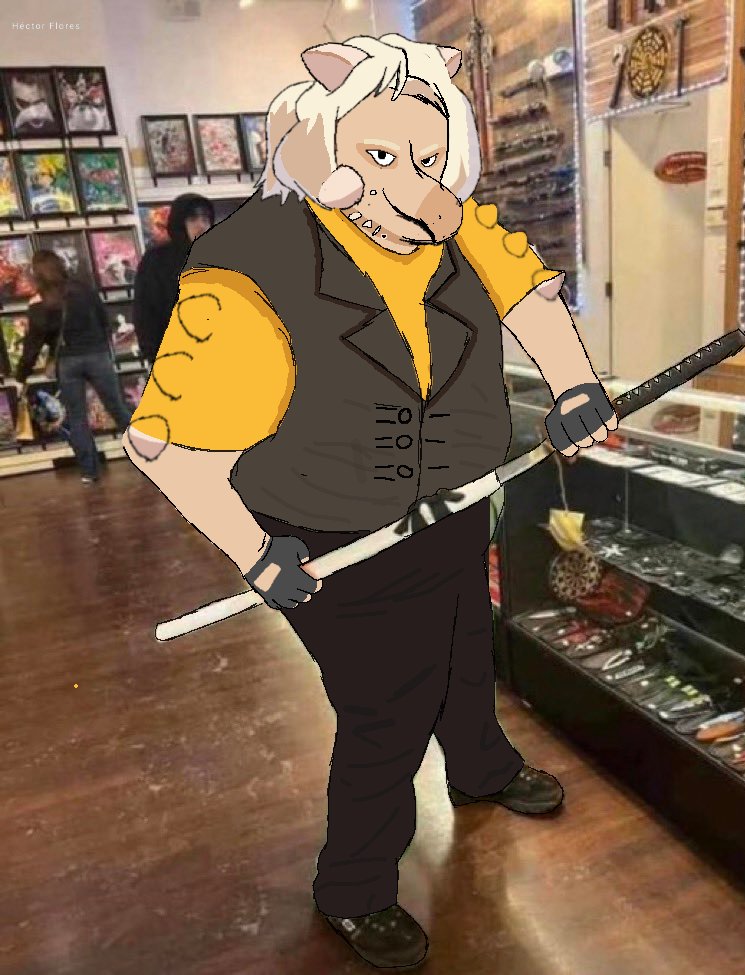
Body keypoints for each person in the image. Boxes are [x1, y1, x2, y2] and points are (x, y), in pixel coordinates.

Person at [124, 35, 616, 971]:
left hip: (456, 496)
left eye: (428, 158)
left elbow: (529, 295)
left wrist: (574, 383)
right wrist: (256, 550)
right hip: (329, 529)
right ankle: (352, 884)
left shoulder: (455, 224)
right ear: (320, 149)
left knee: (465, 641)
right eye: (381, 155)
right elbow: (167, 447)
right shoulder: (250, 265)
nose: (412, 185)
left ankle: (479, 765)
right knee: (388, 703)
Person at [13, 250, 133, 483]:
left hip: (67, 362)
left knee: (77, 418)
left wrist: (21, 376)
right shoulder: (83, 288)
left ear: (37, 274)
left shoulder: (39, 303)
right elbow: (103, 320)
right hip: (97, 355)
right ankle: (150, 455)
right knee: (118, 408)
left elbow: (32, 346)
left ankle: (89, 472)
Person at [133, 193, 214, 365]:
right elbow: (145, 311)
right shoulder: (158, 259)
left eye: (205, 219)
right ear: (179, 222)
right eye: (193, 219)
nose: (201, 225)